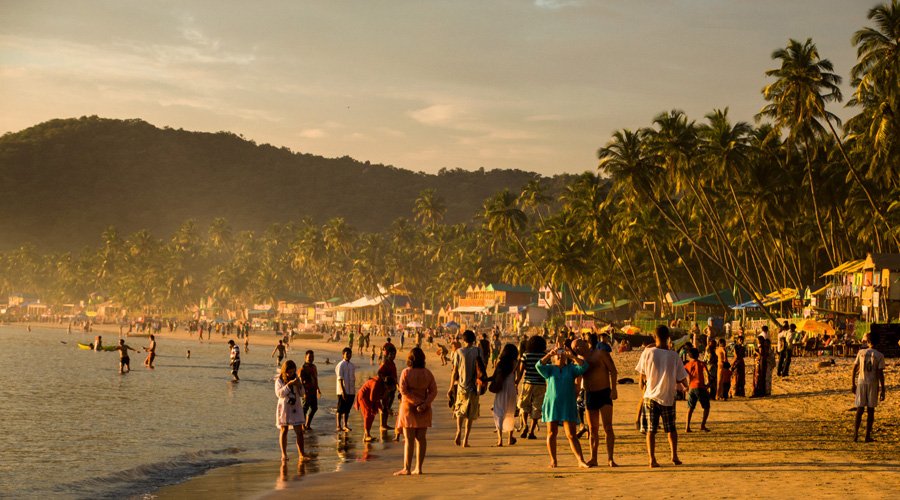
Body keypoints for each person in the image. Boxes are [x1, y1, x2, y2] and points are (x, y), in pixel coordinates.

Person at [635, 325, 689, 468]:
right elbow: (681, 377)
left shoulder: (647, 353)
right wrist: (686, 386)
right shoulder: (674, 355)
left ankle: (652, 459)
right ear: (669, 337)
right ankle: (674, 456)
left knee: (651, 430)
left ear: (654, 336)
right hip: (668, 397)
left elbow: (641, 374)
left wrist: (642, 382)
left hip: (650, 396)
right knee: (671, 429)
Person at [535, 340, 590, 468]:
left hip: (567, 404)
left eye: (562, 353)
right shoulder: (550, 369)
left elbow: (584, 366)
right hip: (552, 405)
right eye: (558, 354)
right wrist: (549, 354)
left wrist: (571, 356)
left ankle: (580, 460)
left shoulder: (571, 369)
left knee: (571, 434)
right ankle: (553, 460)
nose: (560, 355)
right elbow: (538, 366)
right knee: (551, 433)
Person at [575, 336, 618, 467]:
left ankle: (610, 458)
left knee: (608, 427)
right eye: (574, 348)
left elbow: (613, 370)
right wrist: (576, 394)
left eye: (578, 345)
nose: (577, 348)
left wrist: (614, 389)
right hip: (589, 395)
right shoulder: (580, 361)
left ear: (585, 343)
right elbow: (577, 379)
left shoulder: (600, 354)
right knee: (592, 429)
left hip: (604, 392)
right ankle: (593, 458)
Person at [394, 347, 438, 476]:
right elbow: (433, 391)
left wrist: (416, 402)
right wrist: (424, 403)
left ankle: (407, 468)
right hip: (424, 409)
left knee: (409, 439)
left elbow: (403, 391)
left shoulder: (406, 372)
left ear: (410, 359)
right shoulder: (427, 373)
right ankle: (419, 467)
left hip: (408, 408)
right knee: (421, 439)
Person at [449, 330, 485, 447]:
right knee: (470, 414)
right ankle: (465, 440)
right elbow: (482, 368)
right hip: (474, 387)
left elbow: (454, 372)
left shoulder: (458, 352)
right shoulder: (478, 351)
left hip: (461, 386)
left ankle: (459, 430)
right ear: (473, 339)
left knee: (460, 410)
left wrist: (450, 388)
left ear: (463, 340)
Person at [851, 331, 886, 442]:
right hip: (873, 383)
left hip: (861, 382)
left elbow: (854, 369)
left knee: (859, 409)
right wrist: (883, 389)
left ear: (868, 341)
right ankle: (867, 436)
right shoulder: (879, 355)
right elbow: (880, 373)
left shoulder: (861, 352)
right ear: (878, 342)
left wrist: (853, 383)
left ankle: (855, 435)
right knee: (871, 410)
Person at [274, 360, 310, 462]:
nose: (291, 374)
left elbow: (302, 393)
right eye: (289, 372)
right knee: (284, 430)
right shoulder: (279, 380)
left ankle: (301, 454)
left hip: (296, 407)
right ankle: (284, 454)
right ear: (284, 371)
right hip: (285, 408)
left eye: (293, 372)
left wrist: (299, 385)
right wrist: (289, 385)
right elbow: (279, 394)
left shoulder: (296, 378)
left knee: (299, 431)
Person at [516, 334, 547, 440]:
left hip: (528, 383)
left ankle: (525, 426)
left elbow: (520, 371)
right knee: (536, 408)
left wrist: (516, 382)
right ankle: (531, 432)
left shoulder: (526, 355)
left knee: (524, 405)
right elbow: (548, 370)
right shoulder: (544, 355)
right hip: (541, 384)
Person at [489, 344, 519, 447]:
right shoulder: (515, 363)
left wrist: (483, 380)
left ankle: (500, 440)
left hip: (502, 388)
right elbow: (517, 377)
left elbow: (494, 377)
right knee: (510, 412)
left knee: (499, 411)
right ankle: (510, 438)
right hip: (511, 388)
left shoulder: (500, 363)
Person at [684, 348, 711, 433]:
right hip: (700, 387)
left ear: (689, 356)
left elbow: (684, 377)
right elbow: (706, 374)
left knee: (690, 408)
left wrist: (686, 387)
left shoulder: (687, 365)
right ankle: (702, 425)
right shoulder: (701, 363)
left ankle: (687, 427)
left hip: (691, 387)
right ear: (698, 355)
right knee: (706, 407)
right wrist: (708, 384)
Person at [356, 374, 386, 442]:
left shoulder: (381, 384)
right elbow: (372, 398)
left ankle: (367, 434)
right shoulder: (376, 383)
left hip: (370, 397)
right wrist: (380, 405)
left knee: (373, 414)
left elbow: (376, 396)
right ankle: (367, 435)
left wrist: (380, 407)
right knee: (367, 414)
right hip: (363, 396)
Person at [335, 347, 356, 432]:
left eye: (349, 354)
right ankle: (338, 425)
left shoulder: (352, 365)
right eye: (346, 354)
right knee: (340, 409)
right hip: (342, 391)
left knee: (347, 409)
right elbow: (340, 379)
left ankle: (345, 425)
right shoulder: (340, 365)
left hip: (351, 390)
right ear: (343, 355)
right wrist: (343, 391)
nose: (348, 355)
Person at [379, 344, 399, 432]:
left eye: (394, 354)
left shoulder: (393, 363)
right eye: (391, 354)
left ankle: (385, 424)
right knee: (384, 407)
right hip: (386, 388)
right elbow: (379, 373)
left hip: (392, 387)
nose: (393, 356)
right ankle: (382, 425)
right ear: (388, 354)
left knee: (388, 407)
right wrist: (385, 379)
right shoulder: (385, 363)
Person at [300, 350, 321, 430]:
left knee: (314, 408)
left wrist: (318, 389)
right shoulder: (303, 368)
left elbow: (315, 379)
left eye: (312, 357)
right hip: (306, 391)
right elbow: (301, 382)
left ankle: (308, 424)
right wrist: (303, 393)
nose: (311, 359)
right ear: (305, 358)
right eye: (309, 357)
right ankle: (303, 426)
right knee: (304, 409)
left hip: (313, 391)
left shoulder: (314, 367)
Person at [750, 329, 768, 398]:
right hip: (761, 364)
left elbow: (760, 355)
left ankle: (757, 392)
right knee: (761, 378)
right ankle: (761, 392)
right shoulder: (763, 347)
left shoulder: (761, 348)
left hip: (760, 364)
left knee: (758, 378)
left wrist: (756, 352)